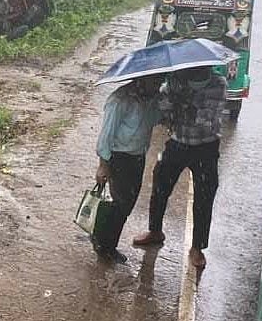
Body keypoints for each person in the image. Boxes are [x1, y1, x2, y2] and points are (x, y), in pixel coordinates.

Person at [134, 67, 227, 269]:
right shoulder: (175, 81)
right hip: (178, 143)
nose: (189, 71)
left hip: (206, 146)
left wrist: (184, 104)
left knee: (204, 196)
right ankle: (155, 231)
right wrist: (172, 106)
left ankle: (197, 247)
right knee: (160, 185)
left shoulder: (218, 84)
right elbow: (164, 112)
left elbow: (208, 121)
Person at [93, 75, 164, 264]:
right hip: (119, 157)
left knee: (126, 203)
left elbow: (156, 119)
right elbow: (106, 135)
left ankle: (102, 238)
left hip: (137, 157)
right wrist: (103, 165)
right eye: (155, 81)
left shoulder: (151, 98)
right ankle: (106, 247)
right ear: (142, 79)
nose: (158, 85)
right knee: (121, 204)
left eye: (159, 82)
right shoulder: (120, 100)